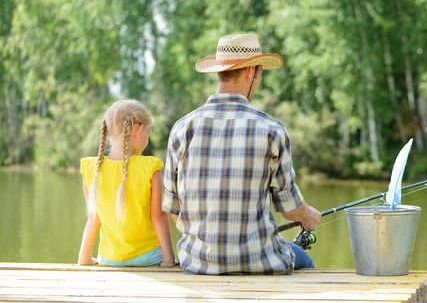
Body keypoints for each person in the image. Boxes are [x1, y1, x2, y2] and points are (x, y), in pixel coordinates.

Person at [162, 33, 321, 275]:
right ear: (251, 72)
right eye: (260, 74)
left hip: (198, 263)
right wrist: (307, 215)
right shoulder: (272, 130)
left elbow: (173, 208)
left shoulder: (182, 129)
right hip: (259, 261)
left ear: (220, 72)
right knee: (306, 263)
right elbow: (290, 209)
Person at [78, 99, 176, 267]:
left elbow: (94, 217)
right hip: (149, 257)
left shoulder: (92, 169)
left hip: (109, 259)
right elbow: (159, 216)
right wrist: (168, 260)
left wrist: (84, 259)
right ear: (138, 130)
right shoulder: (150, 167)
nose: (147, 137)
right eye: (148, 131)